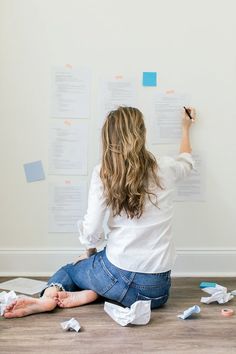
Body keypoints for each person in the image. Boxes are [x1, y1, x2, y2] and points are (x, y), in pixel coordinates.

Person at [4, 106, 195, 318]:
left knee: (70, 270)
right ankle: (94, 293)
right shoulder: (165, 167)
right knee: (103, 273)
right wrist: (186, 128)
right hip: (156, 293)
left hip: (116, 273)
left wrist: (89, 258)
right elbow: (186, 161)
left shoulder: (104, 172)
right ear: (141, 133)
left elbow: (92, 229)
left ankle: (47, 299)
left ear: (108, 137)